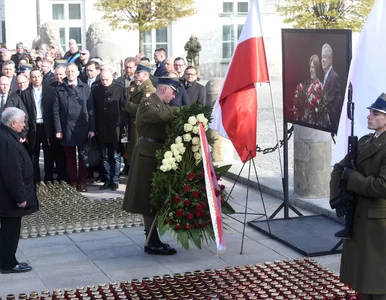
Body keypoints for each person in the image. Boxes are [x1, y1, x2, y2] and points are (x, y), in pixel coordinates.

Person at [330, 93, 386, 299]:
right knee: (362, 283)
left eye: (376, 113)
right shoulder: (364, 141)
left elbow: (382, 187)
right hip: (358, 221)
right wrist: (336, 198)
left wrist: (353, 179)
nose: (369, 116)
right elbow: (339, 169)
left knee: (379, 286)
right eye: (370, 112)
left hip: (378, 227)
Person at [122, 77, 179, 255]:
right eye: (173, 91)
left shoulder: (159, 103)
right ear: (164, 90)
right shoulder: (148, 102)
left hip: (155, 154)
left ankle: (153, 239)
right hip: (147, 155)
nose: (174, 95)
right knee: (147, 199)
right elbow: (157, 115)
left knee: (153, 199)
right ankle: (151, 241)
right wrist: (180, 111)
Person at [0, 107, 38, 274]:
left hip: (6, 195)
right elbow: (12, 173)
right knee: (10, 230)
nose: (24, 125)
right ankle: (8, 263)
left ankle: (6, 260)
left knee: (8, 229)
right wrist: (20, 197)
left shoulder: (8, 136)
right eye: (22, 122)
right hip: (9, 197)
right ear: (13, 123)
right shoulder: (7, 140)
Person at [53, 63, 95, 192]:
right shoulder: (59, 89)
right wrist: (59, 130)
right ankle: (73, 181)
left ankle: (82, 181)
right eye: (68, 71)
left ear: (78, 72)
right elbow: (56, 111)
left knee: (83, 156)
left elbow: (91, 109)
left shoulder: (85, 88)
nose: (70, 73)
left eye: (73, 71)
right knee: (70, 157)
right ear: (65, 73)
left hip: (82, 126)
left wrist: (92, 128)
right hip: (67, 128)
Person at [93, 69, 126, 191]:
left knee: (116, 156)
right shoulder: (96, 89)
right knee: (105, 156)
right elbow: (95, 110)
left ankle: (115, 180)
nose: (104, 82)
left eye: (106, 79)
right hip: (102, 128)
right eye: (102, 79)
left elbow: (123, 108)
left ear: (112, 77)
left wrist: (122, 125)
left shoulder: (119, 89)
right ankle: (107, 180)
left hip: (115, 129)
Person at [20, 69, 56, 182]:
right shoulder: (25, 93)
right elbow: (24, 114)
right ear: (30, 79)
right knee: (34, 154)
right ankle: (35, 178)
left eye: (38, 76)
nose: (36, 79)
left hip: (47, 126)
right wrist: (24, 132)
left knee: (48, 153)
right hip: (33, 127)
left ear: (42, 77)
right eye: (34, 77)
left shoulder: (51, 90)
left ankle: (49, 178)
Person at [122, 63, 155, 175]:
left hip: (139, 125)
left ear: (145, 75)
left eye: (138, 73)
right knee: (132, 151)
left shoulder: (148, 88)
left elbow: (143, 107)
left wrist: (127, 105)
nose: (135, 75)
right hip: (134, 124)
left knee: (137, 152)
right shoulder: (140, 86)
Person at [321, 43, 342, 131]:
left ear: (330, 59)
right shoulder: (325, 76)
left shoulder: (334, 77)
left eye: (325, 57)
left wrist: (329, 117)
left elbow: (338, 101)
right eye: (322, 57)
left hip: (330, 124)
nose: (322, 60)